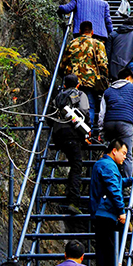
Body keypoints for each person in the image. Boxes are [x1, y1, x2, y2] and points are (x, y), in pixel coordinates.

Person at [90, 140, 133, 266]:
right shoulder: (109, 166)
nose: (125, 156)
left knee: (105, 247)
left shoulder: (104, 164)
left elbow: (118, 182)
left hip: (101, 211)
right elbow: (114, 189)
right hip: (106, 213)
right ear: (114, 151)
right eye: (123, 153)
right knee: (109, 248)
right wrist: (121, 211)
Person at [51, 74, 91, 215]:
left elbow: (51, 115)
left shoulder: (58, 97)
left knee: (73, 162)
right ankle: (73, 201)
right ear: (78, 84)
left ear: (65, 85)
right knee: (76, 166)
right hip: (73, 133)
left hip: (59, 134)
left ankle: (69, 195)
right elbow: (85, 114)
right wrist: (87, 131)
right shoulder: (80, 95)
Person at [62, 21, 109, 132]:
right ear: (92, 32)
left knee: (71, 106)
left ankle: (73, 131)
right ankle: (88, 131)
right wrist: (106, 77)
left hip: (72, 81)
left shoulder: (72, 43)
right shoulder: (97, 44)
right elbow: (103, 64)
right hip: (90, 81)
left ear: (79, 31)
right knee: (89, 106)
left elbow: (63, 63)